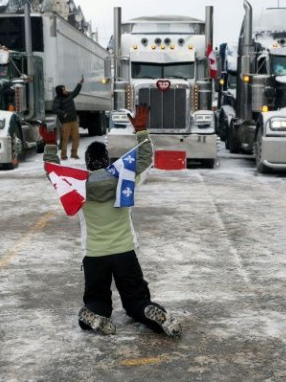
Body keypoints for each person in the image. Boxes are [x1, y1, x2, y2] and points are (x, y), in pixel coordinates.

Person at [40, 105, 182, 337]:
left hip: (95, 256)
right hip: (125, 251)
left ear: (87, 164)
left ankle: (92, 315)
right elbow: (146, 159)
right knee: (136, 299)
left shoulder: (77, 188)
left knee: (97, 301)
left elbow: (53, 173)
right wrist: (142, 130)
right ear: (107, 161)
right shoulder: (124, 180)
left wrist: (49, 146)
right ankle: (152, 312)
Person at [52, 75, 84, 160]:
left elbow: (76, 92)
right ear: (60, 91)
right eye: (63, 89)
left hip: (74, 120)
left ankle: (74, 154)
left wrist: (79, 84)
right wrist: (63, 113)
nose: (65, 90)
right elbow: (55, 109)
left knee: (76, 138)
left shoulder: (69, 95)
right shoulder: (58, 99)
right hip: (66, 122)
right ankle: (63, 155)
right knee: (65, 139)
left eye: (65, 89)